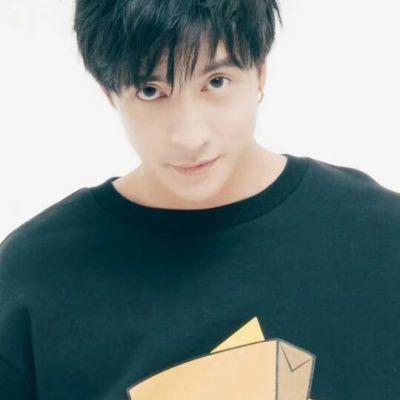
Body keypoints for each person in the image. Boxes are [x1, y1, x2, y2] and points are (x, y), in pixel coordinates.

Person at [1, 1, 399, 399]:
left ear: (260, 71)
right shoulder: (33, 277)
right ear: (109, 92)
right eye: (151, 90)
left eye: (216, 82)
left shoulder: (383, 240)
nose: (190, 137)